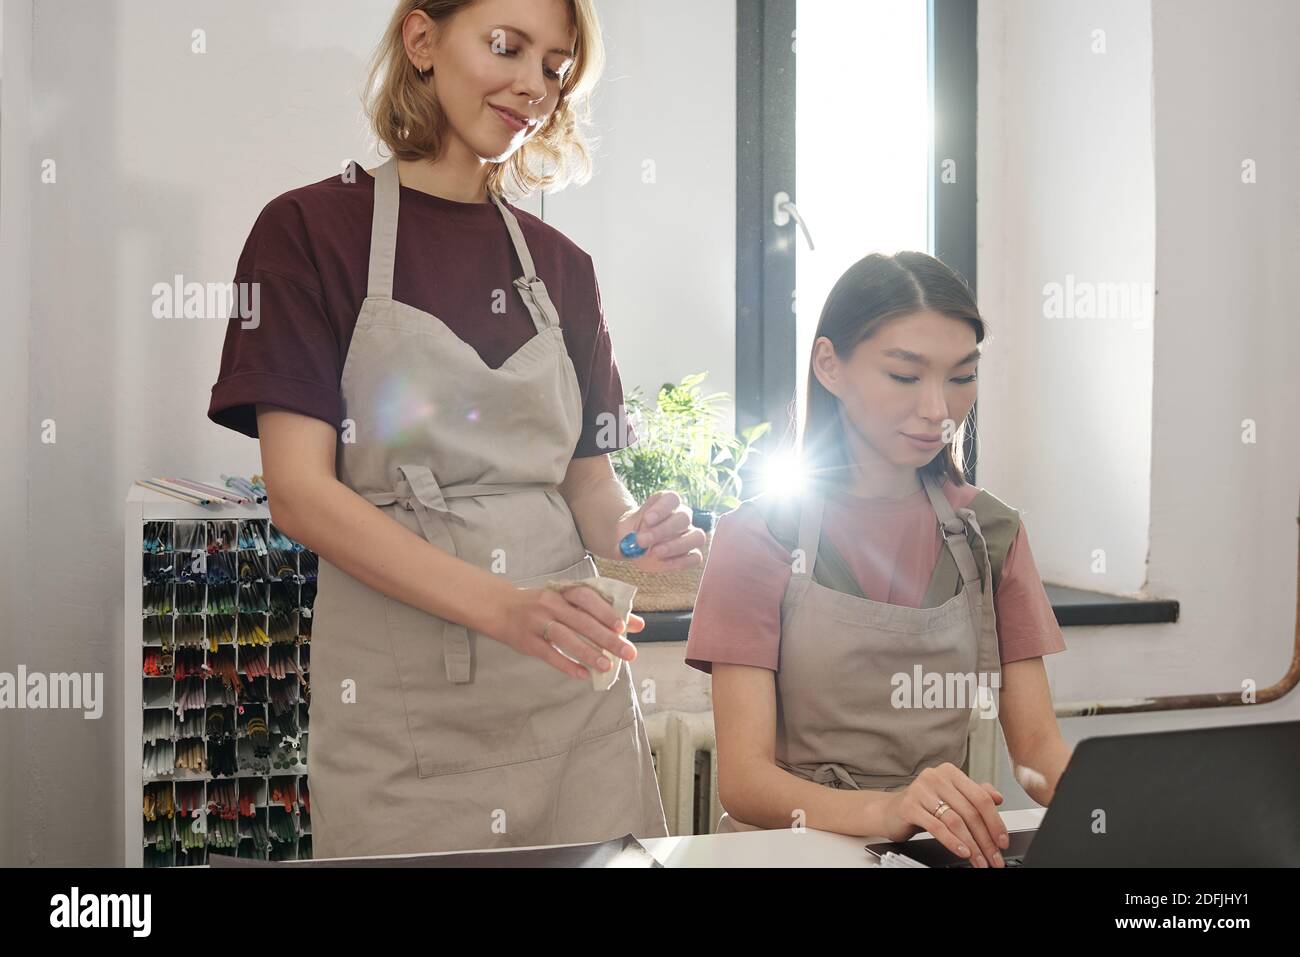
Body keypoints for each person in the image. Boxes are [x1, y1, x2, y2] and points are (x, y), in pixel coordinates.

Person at [208, 0, 704, 858]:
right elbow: (299, 493)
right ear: (423, 39)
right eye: (506, 48)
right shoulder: (307, 233)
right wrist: (503, 607)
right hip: (403, 722)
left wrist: (637, 536)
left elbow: (589, 489)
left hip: (571, 700)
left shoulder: (564, 270)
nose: (532, 87)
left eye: (555, 67)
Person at [685, 252, 1073, 867]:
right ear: (830, 366)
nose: (938, 410)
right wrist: (891, 810)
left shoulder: (992, 533)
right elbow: (746, 783)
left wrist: (1130, 805)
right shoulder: (758, 536)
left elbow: (1038, 755)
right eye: (904, 375)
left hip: (931, 852)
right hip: (789, 854)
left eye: (961, 376)